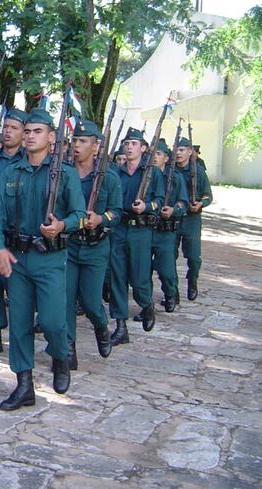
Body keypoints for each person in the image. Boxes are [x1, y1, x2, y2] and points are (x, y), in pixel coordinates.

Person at [0, 108, 86, 410]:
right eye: (27, 131)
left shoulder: (65, 174)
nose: (30, 136)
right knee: (19, 323)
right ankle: (24, 384)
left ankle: (60, 357)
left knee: (53, 322)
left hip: (49, 259)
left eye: (37, 131)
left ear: (52, 137)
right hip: (17, 258)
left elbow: (80, 215)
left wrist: (62, 225)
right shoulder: (10, 172)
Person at [66, 119, 121, 370]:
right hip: (68, 245)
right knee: (65, 301)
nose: (76, 145)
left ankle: (101, 326)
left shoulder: (108, 177)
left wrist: (101, 219)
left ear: (96, 146)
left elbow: (117, 212)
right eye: (74, 140)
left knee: (90, 303)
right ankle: (68, 349)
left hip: (95, 247)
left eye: (83, 141)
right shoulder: (64, 174)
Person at [108, 128, 165, 346]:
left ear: (143, 148)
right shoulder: (116, 173)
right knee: (117, 277)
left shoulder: (152, 173)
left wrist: (147, 206)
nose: (129, 147)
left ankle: (146, 304)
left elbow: (160, 200)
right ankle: (120, 325)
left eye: (134, 143)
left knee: (140, 278)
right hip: (119, 229)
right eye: (126, 143)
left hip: (140, 231)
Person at [0, 108, 27, 354]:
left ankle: (21, 335)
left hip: (20, 235)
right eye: (5, 127)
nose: (8, 132)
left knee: (17, 287)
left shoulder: (29, 160)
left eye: (14, 128)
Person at [144, 138, 188, 316]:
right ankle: (146, 305)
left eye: (159, 154)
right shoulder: (144, 176)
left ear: (166, 158)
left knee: (166, 269)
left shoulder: (175, 177)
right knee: (143, 270)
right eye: (152, 154)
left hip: (165, 231)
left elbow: (183, 202)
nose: (154, 157)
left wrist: (173, 210)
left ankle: (170, 293)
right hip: (146, 229)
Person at [176, 138, 213, 300]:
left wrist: (200, 204)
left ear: (190, 152)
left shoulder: (198, 171)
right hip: (173, 219)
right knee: (168, 258)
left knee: (193, 257)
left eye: (182, 150)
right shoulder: (169, 171)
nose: (178, 153)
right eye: (176, 149)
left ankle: (192, 281)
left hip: (192, 219)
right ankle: (172, 291)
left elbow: (208, 196)